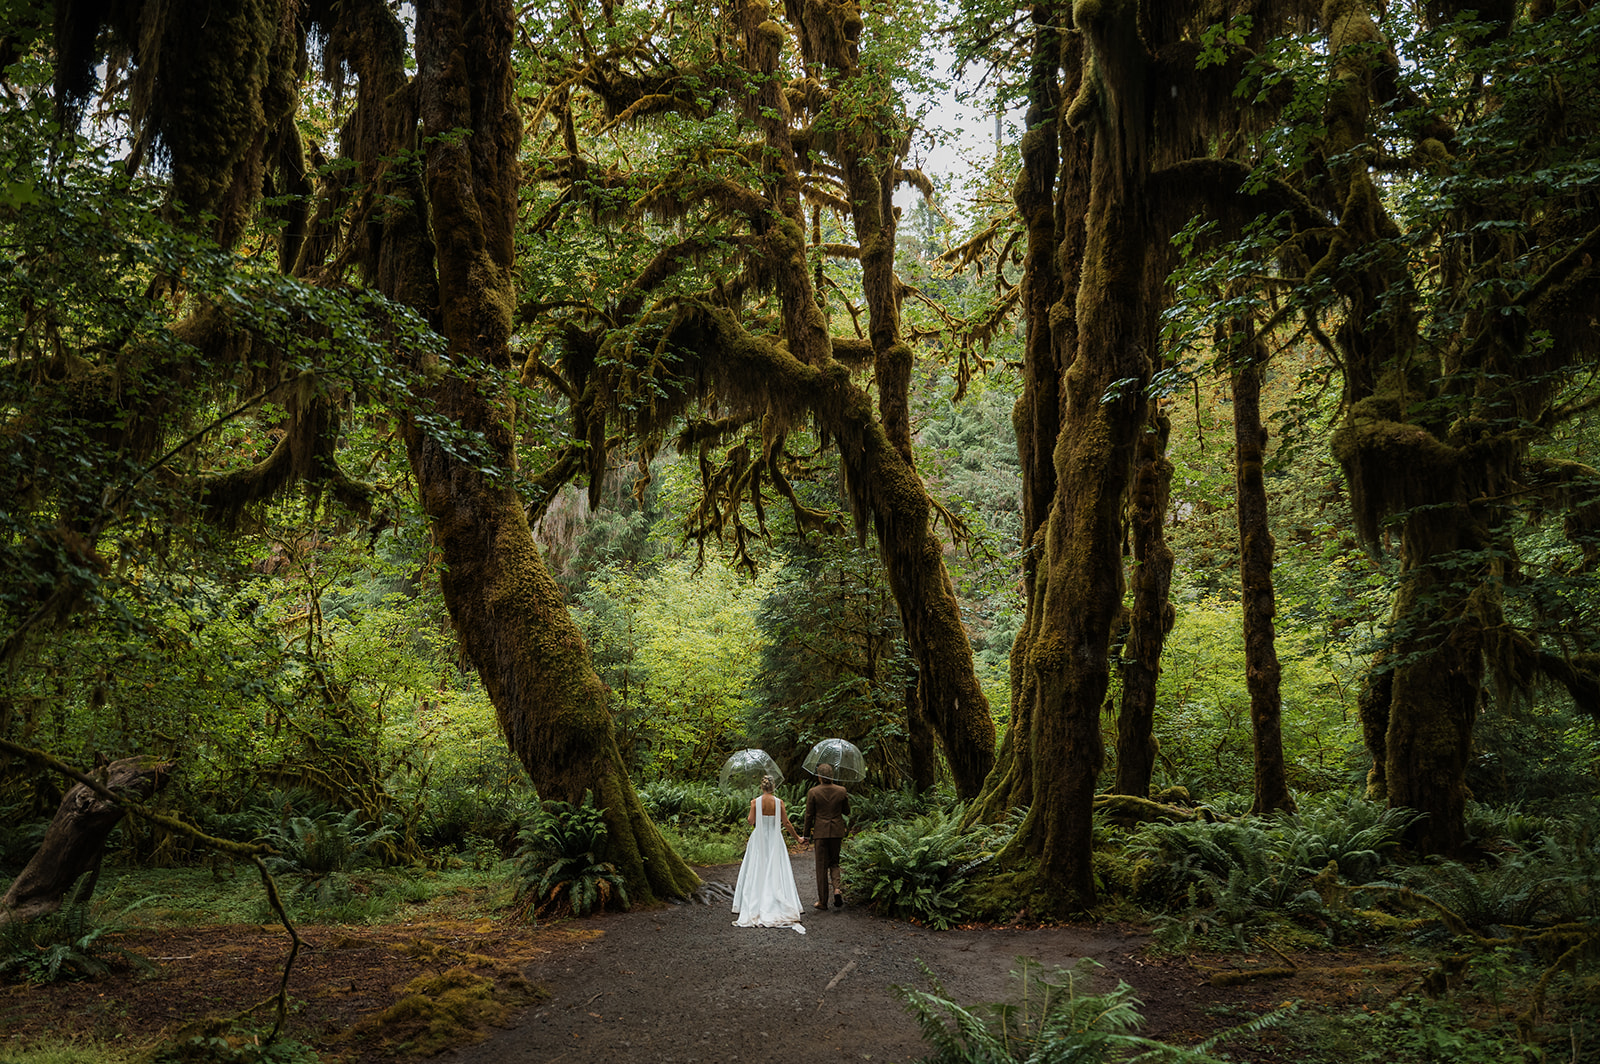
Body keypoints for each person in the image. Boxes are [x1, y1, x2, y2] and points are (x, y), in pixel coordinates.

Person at [730, 775, 807, 933]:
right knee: (776, 869)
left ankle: (755, 901)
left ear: (761, 787)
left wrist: (754, 812)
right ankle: (775, 900)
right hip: (774, 838)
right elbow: (786, 822)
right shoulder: (779, 802)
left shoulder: (754, 802)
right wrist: (798, 838)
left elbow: (751, 821)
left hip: (759, 838)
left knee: (756, 867)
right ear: (773, 787)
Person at [801, 762, 850, 910]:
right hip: (836, 832)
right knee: (834, 862)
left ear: (820, 776)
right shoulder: (841, 791)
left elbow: (809, 815)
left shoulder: (813, 792)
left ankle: (823, 902)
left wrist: (806, 835)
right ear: (832, 776)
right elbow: (847, 811)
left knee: (821, 867)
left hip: (821, 833)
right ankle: (836, 889)